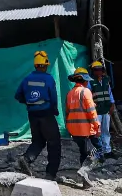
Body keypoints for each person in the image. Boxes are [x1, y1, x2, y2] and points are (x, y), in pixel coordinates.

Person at [14, 50, 61, 179]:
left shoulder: (27, 79)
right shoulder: (48, 78)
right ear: (45, 65)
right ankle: (51, 173)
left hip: (32, 114)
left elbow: (18, 96)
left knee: (38, 141)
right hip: (46, 114)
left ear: (35, 65)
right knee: (54, 142)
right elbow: (53, 97)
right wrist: (54, 110)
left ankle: (26, 159)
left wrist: (30, 103)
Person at [65, 66, 100, 184]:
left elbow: (68, 113)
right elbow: (91, 111)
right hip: (85, 130)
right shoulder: (86, 92)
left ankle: (85, 180)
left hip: (74, 130)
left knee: (83, 153)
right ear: (85, 80)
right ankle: (84, 170)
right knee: (97, 151)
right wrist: (97, 126)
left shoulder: (70, 94)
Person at [89, 59, 114, 159]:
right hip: (97, 111)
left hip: (106, 110)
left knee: (106, 131)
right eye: (96, 70)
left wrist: (112, 105)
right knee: (97, 132)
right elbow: (89, 96)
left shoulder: (106, 80)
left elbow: (110, 93)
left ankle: (107, 151)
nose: (98, 71)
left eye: (99, 69)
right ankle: (98, 153)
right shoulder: (91, 82)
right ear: (93, 71)